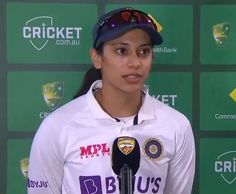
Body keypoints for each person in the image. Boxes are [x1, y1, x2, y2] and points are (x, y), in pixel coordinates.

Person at [27, 7, 195, 194]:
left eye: (144, 51)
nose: (135, 63)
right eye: (122, 51)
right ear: (97, 58)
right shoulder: (57, 126)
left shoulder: (176, 127)